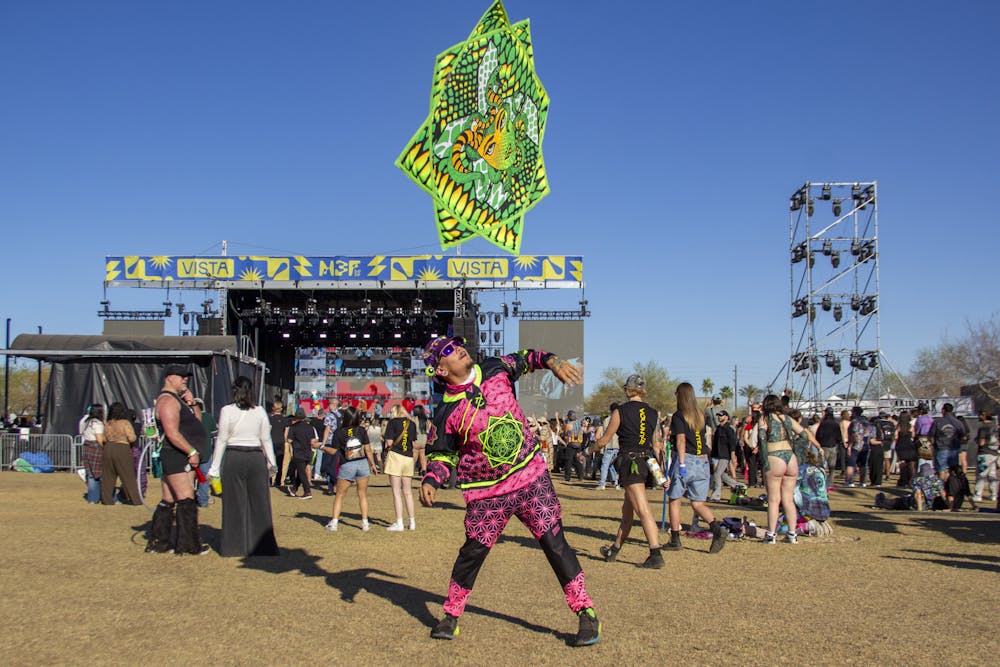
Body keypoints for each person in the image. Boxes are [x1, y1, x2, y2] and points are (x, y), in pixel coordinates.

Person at [419, 336, 600, 647]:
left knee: (555, 544)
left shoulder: (494, 367)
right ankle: (451, 615)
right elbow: (441, 454)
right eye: (448, 350)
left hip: (531, 478)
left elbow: (527, 357)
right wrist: (432, 479)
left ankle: (586, 612)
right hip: (487, 494)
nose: (458, 348)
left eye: (458, 343)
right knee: (473, 552)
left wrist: (552, 361)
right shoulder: (446, 411)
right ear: (441, 370)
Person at [583, 375, 665, 567]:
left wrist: (587, 452)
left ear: (628, 389)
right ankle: (614, 550)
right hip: (646, 462)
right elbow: (656, 445)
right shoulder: (653, 413)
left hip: (630, 463)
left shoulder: (620, 411)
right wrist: (660, 474)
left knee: (643, 509)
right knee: (627, 512)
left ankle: (655, 554)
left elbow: (604, 440)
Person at [208, 376, 279, 557]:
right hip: (255, 458)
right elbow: (266, 439)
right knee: (260, 503)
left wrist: (214, 468)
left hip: (234, 457)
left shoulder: (227, 411)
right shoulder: (260, 411)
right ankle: (263, 546)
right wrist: (272, 463)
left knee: (233, 503)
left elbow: (222, 439)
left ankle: (233, 546)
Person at [148, 365, 210, 555]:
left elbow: (197, 421)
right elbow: (172, 433)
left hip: (178, 454)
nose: (185, 379)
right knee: (186, 499)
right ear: (169, 378)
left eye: (186, 376)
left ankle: (160, 542)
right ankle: (189, 545)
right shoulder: (168, 401)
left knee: (168, 499)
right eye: (181, 376)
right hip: (176, 455)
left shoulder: (178, 400)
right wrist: (191, 451)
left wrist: (192, 402)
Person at [665, 382, 728, 553]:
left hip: (687, 459)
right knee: (698, 503)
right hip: (702, 461)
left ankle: (675, 539)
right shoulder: (700, 414)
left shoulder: (679, 416)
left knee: (675, 499)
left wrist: (681, 464)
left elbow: (681, 440)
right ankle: (716, 529)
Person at [757, 394, 820, 544]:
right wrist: (798, 452)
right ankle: (792, 534)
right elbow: (804, 434)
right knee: (788, 499)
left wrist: (764, 459)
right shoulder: (787, 419)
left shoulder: (764, 418)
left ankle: (771, 534)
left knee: (773, 499)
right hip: (790, 458)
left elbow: (762, 437)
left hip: (774, 456)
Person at [323, 406, 377, 531]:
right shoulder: (361, 430)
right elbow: (368, 449)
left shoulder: (339, 432)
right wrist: (372, 464)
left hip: (347, 464)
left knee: (340, 495)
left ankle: (334, 523)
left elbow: (333, 451)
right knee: (362, 494)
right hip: (362, 463)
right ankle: (365, 523)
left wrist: (321, 447)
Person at [382, 405, 424, 531]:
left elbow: (389, 442)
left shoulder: (392, 423)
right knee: (408, 492)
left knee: (396, 492)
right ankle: (412, 522)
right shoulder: (411, 424)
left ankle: (399, 522)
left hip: (396, 456)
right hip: (408, 458)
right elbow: (414, 443)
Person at [101, 402, 141, 505]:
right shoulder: (125, 423)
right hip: (122, 448)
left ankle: (106, 500)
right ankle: (135, 499)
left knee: (108, 476)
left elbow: (104, 438)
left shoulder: (108, 423)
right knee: (128, 475)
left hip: (108, 448)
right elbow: (132, 438)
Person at [285, 409, 318, 499]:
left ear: (296, 417)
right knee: (301, 472)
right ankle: (294, 489)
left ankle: (307, 491)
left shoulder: (293, 427)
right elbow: (313, 441)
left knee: (301, 472)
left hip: (298, 452)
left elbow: (289, 440)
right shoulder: (310, 427)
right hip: (308, 452)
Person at [709, 410, 740, 501]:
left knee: (717, 474)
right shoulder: (718, 428)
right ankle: (739, 486)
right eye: (718, 415)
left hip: (724, 455)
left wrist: (733, 456)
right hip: (716, 455)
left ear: (726, 417)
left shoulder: (729, 429)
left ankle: (716, 495)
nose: (719, 417)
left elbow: (732, 444)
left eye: (721, 415)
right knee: (722, 475)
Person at [930, 403, 968, 478]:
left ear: (943, 410)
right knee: (953, 470)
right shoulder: (958, 422)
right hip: (954, 449)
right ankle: (952, 484)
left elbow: (931, 436)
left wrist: (933, 445)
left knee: (941, 470)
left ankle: (941, 484)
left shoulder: (937, 421)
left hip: (941, 448)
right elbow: (964, 436)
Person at [192, 397, 216, 507]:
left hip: (191, 451)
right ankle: (203, 500)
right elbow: (214, 432)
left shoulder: (190, 418)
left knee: (190, 476)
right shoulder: (208, 417)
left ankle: (191, 498)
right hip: (205, 451)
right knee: (204, 477)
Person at [80, 404, 105, 504]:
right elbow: (99, 439)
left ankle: (92, 498)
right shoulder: (97, 423)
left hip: (87, 447)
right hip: (95, 448)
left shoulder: (86, 422)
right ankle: (102, 496)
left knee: (90, 474)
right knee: (99, 473)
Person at [974, 409, 999, 503]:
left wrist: (977, 441)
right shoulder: (995, 427)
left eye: (980, 415)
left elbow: (981, 442)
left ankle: (978, 495)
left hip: (984, 453)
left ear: (983, 416)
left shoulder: (983, 428)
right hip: (994, 453)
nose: (979, 417)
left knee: (981, 474)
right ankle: (994, 495)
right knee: (992, 475)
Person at [594, 403, 621, 490]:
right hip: (618, 446)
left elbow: (604, 433)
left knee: (605, 465)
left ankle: (602, 484)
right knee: (611, 465)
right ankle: (616, 482)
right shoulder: (621, 419)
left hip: (609, 445)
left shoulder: (607, 420)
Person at [815, 407, 843, 476]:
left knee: (821, 466)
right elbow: (839, 437)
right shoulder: (836, 424)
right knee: (832, 467)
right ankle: (830, 481)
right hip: (833, 446)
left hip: (824, 446)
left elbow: (818, 435)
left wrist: (820, 443)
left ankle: (821, 479)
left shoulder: (823, 424)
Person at [894, 412, 919, 488]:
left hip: (901, 446)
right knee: (911, 465)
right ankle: (913, 482)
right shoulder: (910, 426)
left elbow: (895, 437)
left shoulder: (898, 427)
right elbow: (913, 436)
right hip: (909, 446)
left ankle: (903, 481)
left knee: (902, 465)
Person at [268, 401, 289, 488]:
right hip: (281, 442)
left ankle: (269, 480)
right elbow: (286, 431)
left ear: (273, 408)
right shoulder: (285, 419)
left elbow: (268, 430)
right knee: (280, 462)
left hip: (271, 442)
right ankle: (278, 481)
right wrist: (285, 439)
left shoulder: (270, 419)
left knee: (270, 461)